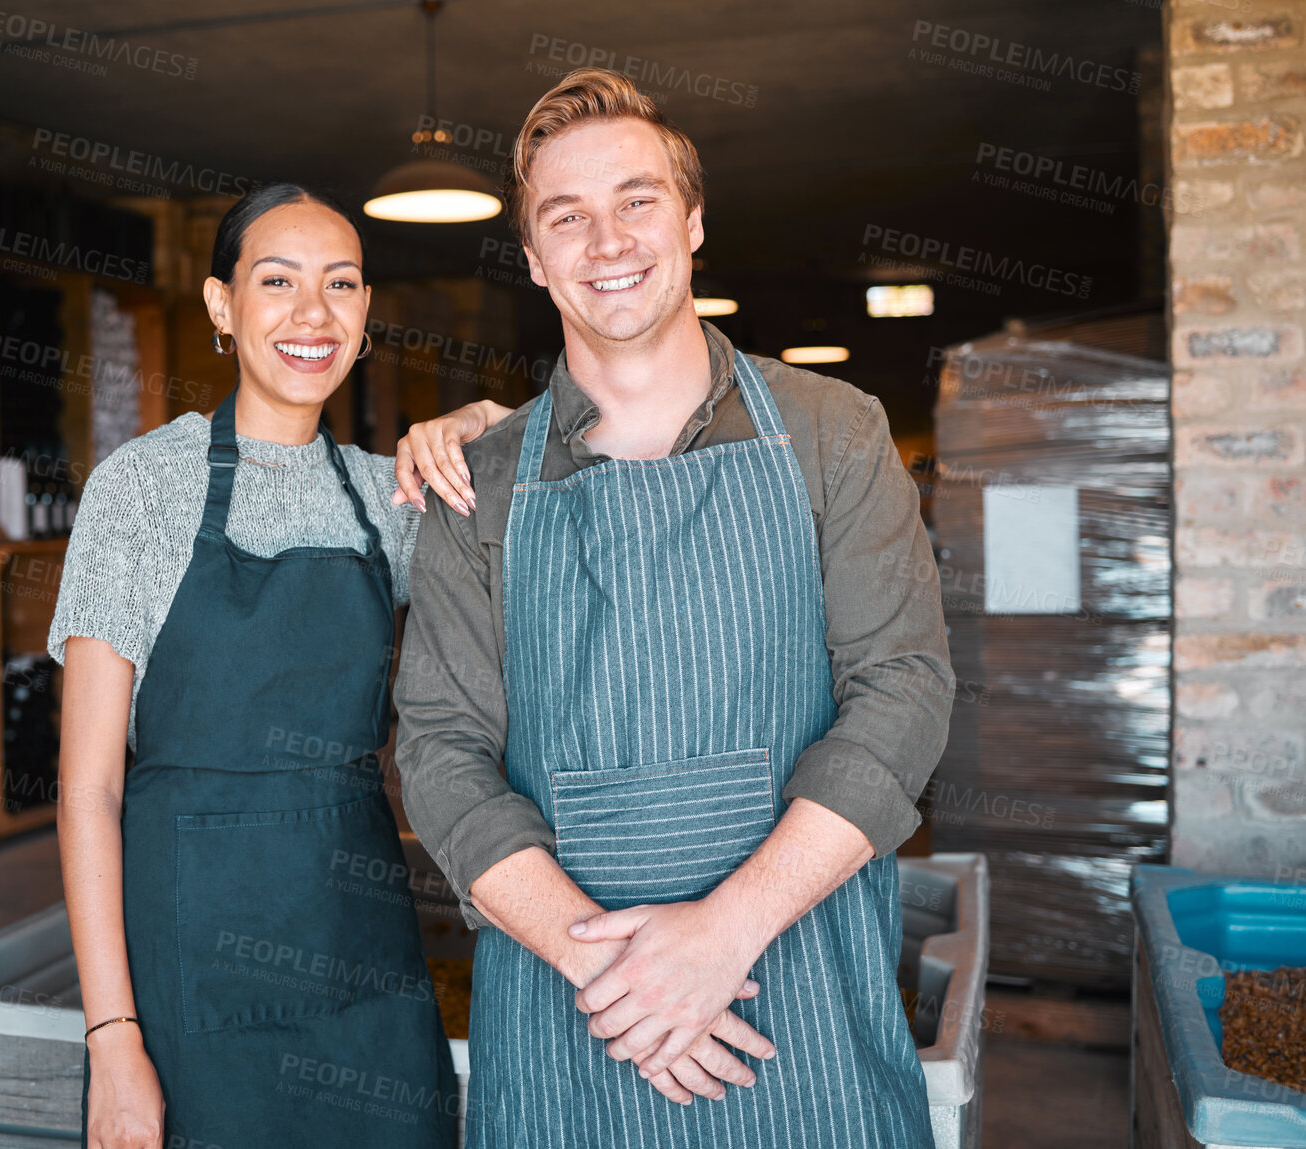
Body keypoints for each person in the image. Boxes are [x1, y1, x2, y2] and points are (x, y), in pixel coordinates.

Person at [394, 69, 955, 1148]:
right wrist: (620, 974)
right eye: (567, 216)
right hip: (572, 1025)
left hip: (799, 1006)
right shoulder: (477, 483)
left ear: (692, 221)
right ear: (533, 258)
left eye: (636, 201)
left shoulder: (832, 432)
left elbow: (903, 694)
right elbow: (440, 754)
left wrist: (721, 937)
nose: (605, 240)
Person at [49, 182, 510, 1149]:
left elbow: (557, 496)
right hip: (194, 962)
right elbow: (88, 791)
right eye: (277, 281)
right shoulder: (140, 488)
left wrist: (478, 424)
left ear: (365, 314)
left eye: (340, 284)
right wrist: (113, 1039)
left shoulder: (389, 500)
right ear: (223, 307)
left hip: (362, 951)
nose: (313, 314)